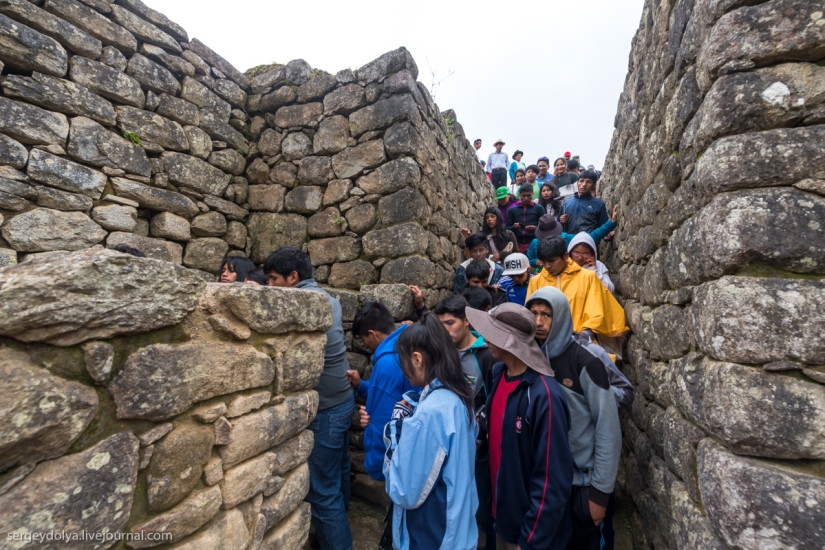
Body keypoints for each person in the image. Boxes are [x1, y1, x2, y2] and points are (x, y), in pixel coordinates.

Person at [264, 247, 354, 550]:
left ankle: (336, 538)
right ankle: (340, 525)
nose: (269, 286)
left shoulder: (300, 303)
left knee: (321, 491)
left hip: (326, 409)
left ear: (293, 277)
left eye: (273, 279)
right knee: (338, 472)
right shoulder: (329, 299)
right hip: (342, 399)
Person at [466, 304, 573, 550]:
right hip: (502, 516)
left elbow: (553, 478)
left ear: (510, 342)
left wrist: (530, 539)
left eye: (492, 333)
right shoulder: (498, 373)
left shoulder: (544, 396)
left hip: (528, 530)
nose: (484, 337)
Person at [525, 287, 622, 550]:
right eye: (533, 313)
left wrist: (600, 493)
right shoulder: (528, 358)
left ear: (562, 316)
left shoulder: (584, 361)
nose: (538, 321)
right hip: (548, 483)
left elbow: (608, 428)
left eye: (547, 314)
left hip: (583, 484)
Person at [383, 315, 479, 550]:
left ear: (417, 359)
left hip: (432, 536)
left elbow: (404, 490)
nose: (403, 369)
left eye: (403, 361)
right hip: (457, 531)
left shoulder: (430, 413)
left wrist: (396, 428)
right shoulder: (459, 396)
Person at [433, 294, 496, 547]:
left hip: (479, 448)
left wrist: (481, 437)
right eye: (441, 325)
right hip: (449, 442)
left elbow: (493, 401)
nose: (445, 330)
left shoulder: (486, 356)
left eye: (450, 323)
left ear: (467, 321)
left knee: (482, 503)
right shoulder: (441, 352)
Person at [526, 237, 627, 342]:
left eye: (552, 261)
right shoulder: (535, 281)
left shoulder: (588, 277)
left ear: (565, 256)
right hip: (544, 343)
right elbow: (530, 314)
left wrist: (583, 336)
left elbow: (596, 311)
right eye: (544, 262)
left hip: (580, 341)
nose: (547, 266)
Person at [527, 207, 618, 269]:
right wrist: (536, 261)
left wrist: (611, 223)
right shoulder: (535, 243)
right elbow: (528, 260)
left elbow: (590, 237)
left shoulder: (567, 238)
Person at [559, 170, 609, 236]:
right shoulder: (566, 204)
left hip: (589, 241)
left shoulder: (599, 204)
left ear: (594, 185)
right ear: (577, 183)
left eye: (588, 182)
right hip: (569, 241)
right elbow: (557, 228)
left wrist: (607, 236)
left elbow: (603, 229)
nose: (584, 184)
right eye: (581, 181)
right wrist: (561, 222)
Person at [506, 184, 545, 254]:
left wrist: (536, 228)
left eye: (528, 195)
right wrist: (514, 227)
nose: (526, 198)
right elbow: (507, 229)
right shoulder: (512, 210)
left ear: (533, 194)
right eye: (523, 196)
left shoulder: (539, 208)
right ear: (519, 195)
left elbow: (544, 228)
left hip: (534, 243)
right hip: (517, 244)